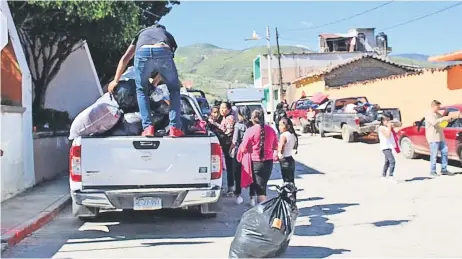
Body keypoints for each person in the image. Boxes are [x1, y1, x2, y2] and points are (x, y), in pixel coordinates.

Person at [107, 24, 184, 137]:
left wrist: (115, 80)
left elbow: (125, 58)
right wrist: (156, 82)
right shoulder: (167, 35)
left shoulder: (141, 34)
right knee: (174, 89)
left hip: (143, 51)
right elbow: (168, 65)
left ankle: (148, 128)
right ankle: (175, 128)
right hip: (163, 49)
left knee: (142, 91)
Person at [240, 109, 278, 204]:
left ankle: (261, 210)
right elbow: (275, 146)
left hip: (255, 162)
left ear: (252, 119)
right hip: (268, 162)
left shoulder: (250, 131)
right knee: (263, 186)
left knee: (260, 189)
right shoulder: (271, 130)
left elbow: (243, 149)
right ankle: (261, 208)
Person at [209, 102, 235, 195]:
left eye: (224, 108)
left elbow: (227, 131)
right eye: (221, 108)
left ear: (229, 109)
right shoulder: (224, 118)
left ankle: (231, 187)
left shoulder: (230, 118)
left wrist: (215, 124)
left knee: (230, 167)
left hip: (229, 145)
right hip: (225, 144)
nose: (222, 110)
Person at [425, 100, 456, 177]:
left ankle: (444, 169)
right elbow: (434, 122)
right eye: (437, 106)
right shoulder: (429, 114)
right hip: (433, 137)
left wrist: (450, 118)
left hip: (440, 136)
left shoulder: (438, 114)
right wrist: (444, 118)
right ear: (433, 106)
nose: (439, 108)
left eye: (439, 106)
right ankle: (433, 171)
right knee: (434, 154)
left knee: (445, 152)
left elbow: (443, 121)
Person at [230, 106, 251, 205]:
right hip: (250, 152)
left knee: (237, 174)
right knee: (251, 174)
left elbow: (234, 141)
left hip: (239, 152)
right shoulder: (252, 125)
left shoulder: (238, 125)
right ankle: (252, 197)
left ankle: (238, 195)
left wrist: (230, 150)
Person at [377, 113, 399, 182]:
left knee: (387, 161)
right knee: (392, 161)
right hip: (385, 147)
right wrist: (389, 127)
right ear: (383, 121)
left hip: (389, 146)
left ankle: (383, 176)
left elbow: (399, 124)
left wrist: (393, 125)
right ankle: (391, 176)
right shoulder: (381, 128)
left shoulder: (386, 127)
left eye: (389, 120)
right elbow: (387, 135)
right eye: (386, 121)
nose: (388, 122)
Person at [278, 118, 298, 186]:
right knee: (291, 181)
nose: (279, 127)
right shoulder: (293, 135)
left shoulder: (283, 136)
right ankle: (293, 195)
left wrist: (279, 153)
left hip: (284, 160)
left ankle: (287, 195)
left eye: (281, 125)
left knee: (286, 181)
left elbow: (281, 147)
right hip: (290, 159)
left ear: (288, 126)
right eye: (279, 125)